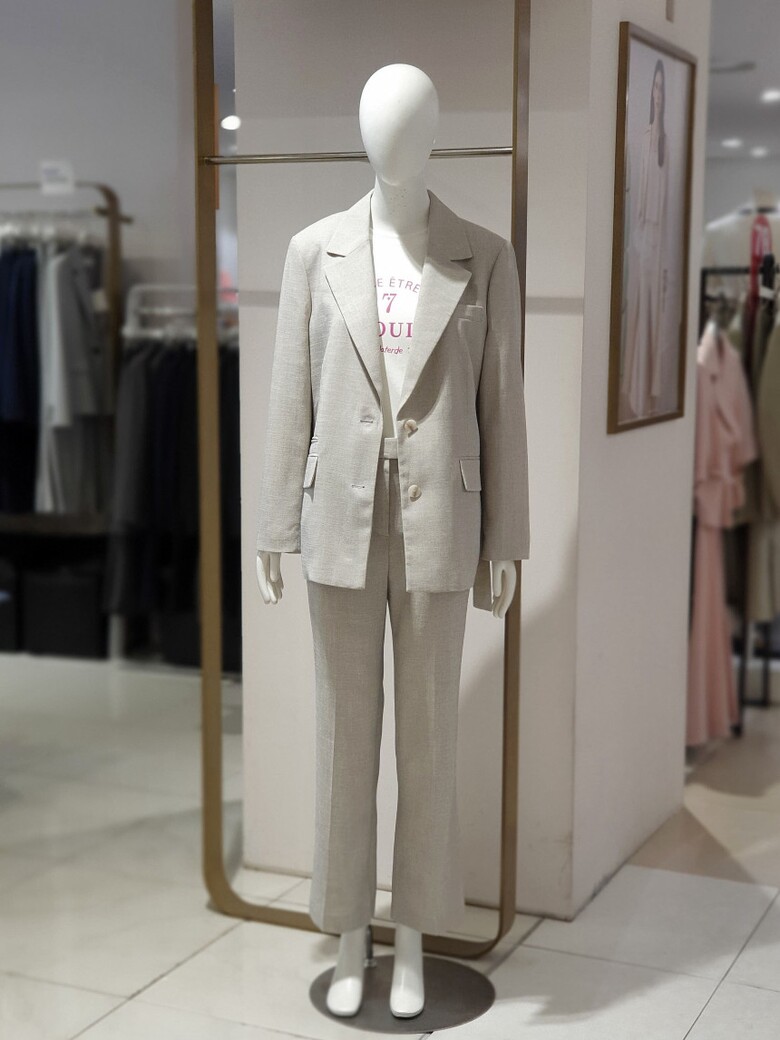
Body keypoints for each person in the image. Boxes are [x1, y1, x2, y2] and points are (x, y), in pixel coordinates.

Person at [620, 58, 669, 422]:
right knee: (639, 315)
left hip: (658, 242)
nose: (657, 94)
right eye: (654, 87)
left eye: (661, 88)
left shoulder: (667, 143)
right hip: (641, 240)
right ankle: (636, 393)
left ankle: (651, 394)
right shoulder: (644, 138)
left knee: (655, 317)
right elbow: (637, 196)